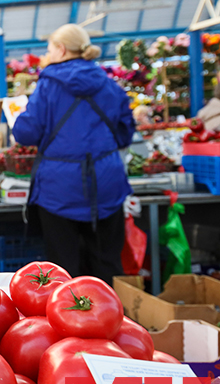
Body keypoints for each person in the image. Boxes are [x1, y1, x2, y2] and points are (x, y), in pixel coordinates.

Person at [13, 24, 135, 281]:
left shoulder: (47, 86)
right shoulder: (110, 85)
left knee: (62, 269)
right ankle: (115, 318)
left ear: (61, 49)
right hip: (106, 184)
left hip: (59, 188)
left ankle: (69, 318)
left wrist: (21, 116)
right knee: (108, 265)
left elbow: (26, 134)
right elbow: (124, 135)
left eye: (50, 49)